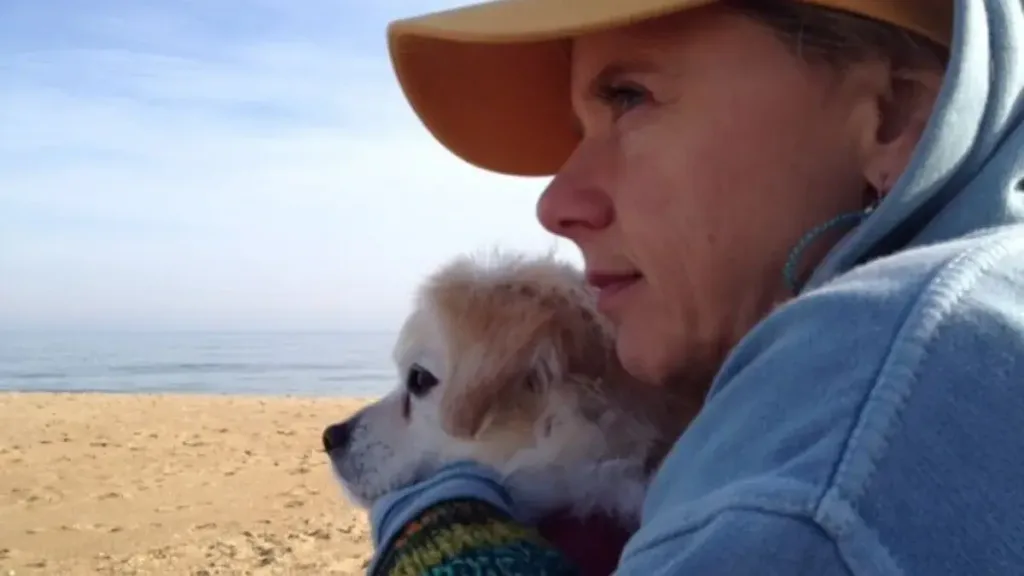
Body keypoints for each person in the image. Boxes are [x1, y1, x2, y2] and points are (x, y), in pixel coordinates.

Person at [364, 0, 1024, 574]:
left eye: (629, 97)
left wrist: (433, 537)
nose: (557, 203)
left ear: (892, 117)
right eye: (578, 133)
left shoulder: (849, 426)